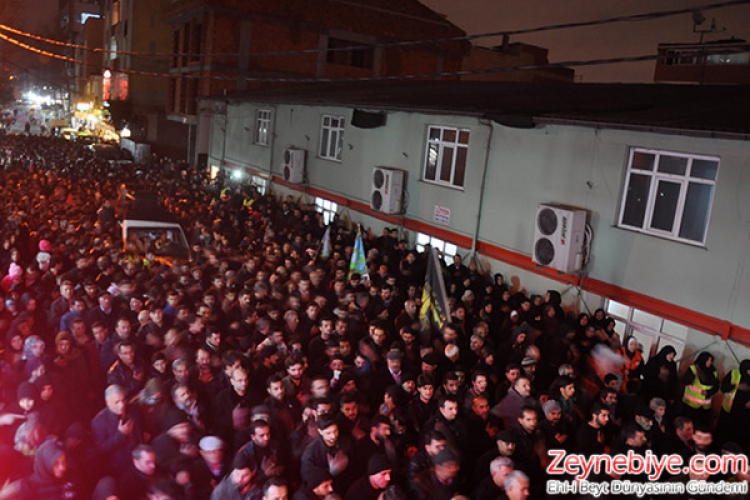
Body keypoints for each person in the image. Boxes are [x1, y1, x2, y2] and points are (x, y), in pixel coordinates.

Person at [91, 384, 144, 475]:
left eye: (124, 400)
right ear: (107, 402)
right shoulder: (99, 422)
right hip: (121, 467)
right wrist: (120, 435)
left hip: (140, 457)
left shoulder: (133, 409)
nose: (122, 405)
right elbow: (101, 448)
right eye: (117, 402)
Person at [681, 352, 719, 426]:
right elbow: (684, 381)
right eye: (708, 360)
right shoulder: (694, 369)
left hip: (704, 407)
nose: (710, 363)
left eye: (711, 361)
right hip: (690, 405)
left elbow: (716, 386)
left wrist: (708, 392)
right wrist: (690, 377)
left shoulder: (714, 372)